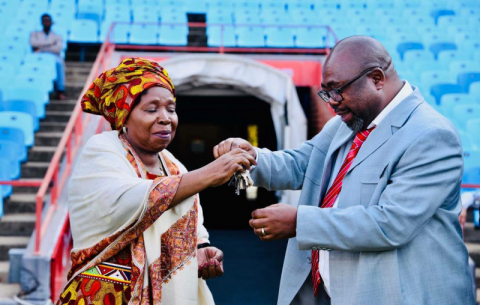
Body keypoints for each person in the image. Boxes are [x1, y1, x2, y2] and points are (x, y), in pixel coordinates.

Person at [213, 36, 475, 305]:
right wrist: (249, 157)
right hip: (330, 293)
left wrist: (299, 223)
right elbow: (301, 164)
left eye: (338, 90)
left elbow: (390, 223)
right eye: (326, 92)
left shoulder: (431, 135)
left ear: (376, 78)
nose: (332, 102)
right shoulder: (347, 123)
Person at [57, 58, 255, 304]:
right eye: (152, 109)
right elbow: (131, 201)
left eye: (171, 109)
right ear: (124, 116)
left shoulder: (173, 165)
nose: (165, 118)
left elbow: (194, 226)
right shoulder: (102, 149)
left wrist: (202, 249)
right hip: (107, 295)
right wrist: (209, 174)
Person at [30, 13, 66, 100]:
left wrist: (41, 47)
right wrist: (50, 44)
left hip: (52, 55)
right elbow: (33, 43)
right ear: (41, 22)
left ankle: (60, 90)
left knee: (59, 64)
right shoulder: (35, 34)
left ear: (51, 22)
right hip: (38, 55)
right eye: (44, 21)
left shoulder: (57, 36)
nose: (46, 23)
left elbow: (58, 48)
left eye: (48, 21)